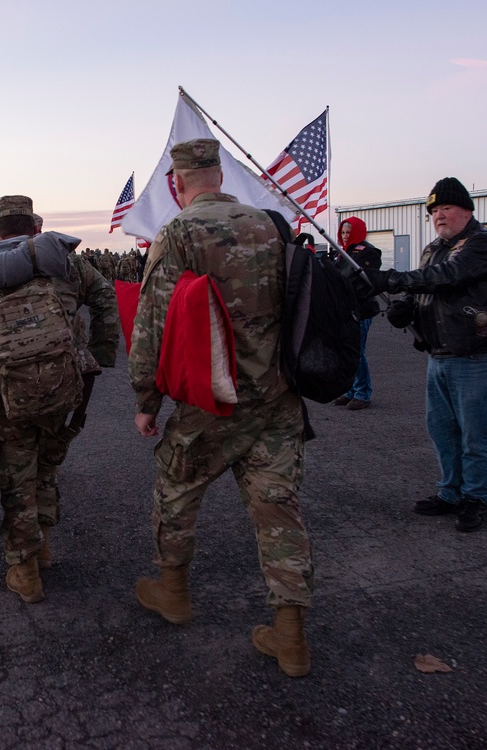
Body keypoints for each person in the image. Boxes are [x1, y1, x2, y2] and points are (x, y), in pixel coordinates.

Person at [129, 139, 314, 677]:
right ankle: (291, 636)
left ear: (177, 183)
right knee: (278, 510)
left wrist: (147, 400)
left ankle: (173, 591)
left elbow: (153, 323)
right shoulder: (271, 224)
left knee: (177, 488)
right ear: (218, 175)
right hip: (278, 397)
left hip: (214, 400)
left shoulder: (180, 233)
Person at [0, 196, 119, 605]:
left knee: (15, 475)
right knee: (45, 467)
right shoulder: (66, 264)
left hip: (5, 398)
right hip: (61, 388)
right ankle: (46, 548)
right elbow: (106, 297)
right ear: (36, 230)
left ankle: (25, 570)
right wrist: (100, 354)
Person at [362, 177, 487, 533]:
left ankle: (477, 498)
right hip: (441, 356)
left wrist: (391, 279)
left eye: (446, 208)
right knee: (443, 431)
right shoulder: (433, 248)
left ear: (466, 210)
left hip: (481, 357)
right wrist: (406, 309)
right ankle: (451, 493)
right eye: (433, 210)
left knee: (476, 435)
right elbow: (426, 290)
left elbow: (448, 276)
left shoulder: (485, 245)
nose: (439, 215)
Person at [331, 217, 381, 410]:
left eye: (348, 232)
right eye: (343, 232)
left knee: (357, 352)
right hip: (345, 309)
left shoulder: (367, 252)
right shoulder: (342, 253)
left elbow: (363, 280)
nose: (345, 236)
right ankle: (351, 389)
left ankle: (363, 393)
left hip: (361, 309)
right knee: (348, 352)